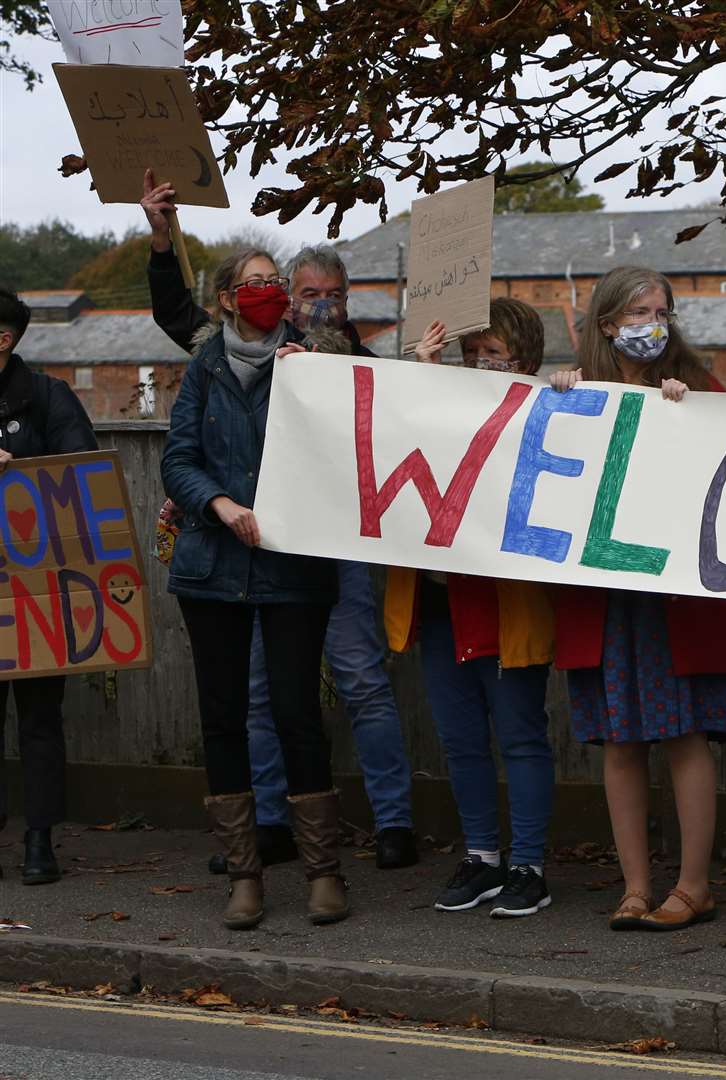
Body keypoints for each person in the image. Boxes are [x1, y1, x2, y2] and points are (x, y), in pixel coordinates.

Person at [140, 173, 420, 875]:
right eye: (306, 293)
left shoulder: (339, 355)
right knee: (261, 694)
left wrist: (336, 369)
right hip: (252, 547)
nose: (319, 304)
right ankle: (266, 825)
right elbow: (178, 318)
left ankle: (393, 823)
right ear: (279, 298)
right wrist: (161, 237)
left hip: (333, 546)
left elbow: (386, 423)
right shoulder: (226, 354)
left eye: (334, 295)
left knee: (358, 677)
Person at [549, 266, 726, 931]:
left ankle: (693, 885)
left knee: (685, 734)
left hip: (673, 598)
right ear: (608, 324)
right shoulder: (577, 392)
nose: (651, 324)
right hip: (608, 596)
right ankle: (635, 887)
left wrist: (690, 411)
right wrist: (559, 403)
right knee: (619, 740)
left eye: (660, 311)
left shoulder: (698, 386)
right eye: (637, 313)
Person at [161, 248, 348, 930]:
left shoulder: (310, 360)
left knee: (299, 714)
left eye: (274, 281)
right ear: (228, 300)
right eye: (253, 283)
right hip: (212, 567)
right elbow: (177, 459)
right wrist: (217, 504)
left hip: (292, 566)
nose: (266, 291)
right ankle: (245, 875)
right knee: (223, 718)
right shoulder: (204, 368)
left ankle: (322, 871)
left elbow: (346, 450)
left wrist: (314, 383)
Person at [391, 300, 559, 918]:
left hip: (506, 603)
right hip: (442, 602)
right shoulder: (437, 406)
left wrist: (556, 387)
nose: (479, 365)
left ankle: (529, 865)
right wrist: (429, 369)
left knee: (519, 735)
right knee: (460, 740)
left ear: (526, 361)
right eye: (471, 354)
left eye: (494, 355)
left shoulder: (543, 413)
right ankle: (483, 857)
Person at [0, 290, 98, 885]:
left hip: (37, 585)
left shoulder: (46, 397)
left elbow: (84, 472)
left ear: (5, 338)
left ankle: (40, 839)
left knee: (39, 716)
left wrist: (23, 470)